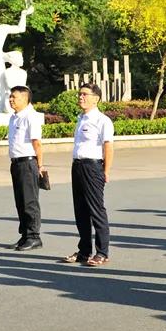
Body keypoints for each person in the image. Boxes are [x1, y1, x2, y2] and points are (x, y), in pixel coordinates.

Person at [64, 83, 114, 267]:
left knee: (96, 210)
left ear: (96, 98)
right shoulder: (81, 118)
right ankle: (84, 251)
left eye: (85, 94)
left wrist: (106, 171)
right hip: (77, 166)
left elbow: (108, 147)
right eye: (80, 94)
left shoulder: (102, 120)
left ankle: (102, 252)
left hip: (92, 167)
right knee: (80, 211)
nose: (81, 97)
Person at [7, 86, 44, 251]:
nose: (10, 100)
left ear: (25, 98)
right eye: (10, 97)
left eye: (14, 97)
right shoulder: (14, 117)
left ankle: (34, 237)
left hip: (28, 163)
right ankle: (25, 235)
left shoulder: (31, 117)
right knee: (20, 201)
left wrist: (40, 165)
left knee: (29, 201)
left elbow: (37, 143)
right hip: (16, 163)